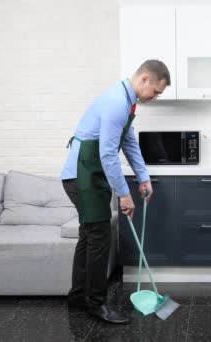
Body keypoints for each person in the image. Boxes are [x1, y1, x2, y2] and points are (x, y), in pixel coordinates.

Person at [60, 60, 170, 324]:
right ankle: (96, 305)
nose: (155, 98)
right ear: (145, 78)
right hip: (82, 175)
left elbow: (128, 141)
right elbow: (108, 153)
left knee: (89, 236)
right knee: (99, 237)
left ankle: (78, 297)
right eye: (156, 92)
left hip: (88, 173)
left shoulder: (126, 101)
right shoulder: (116, 102)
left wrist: (144, 177)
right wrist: (124, 194)